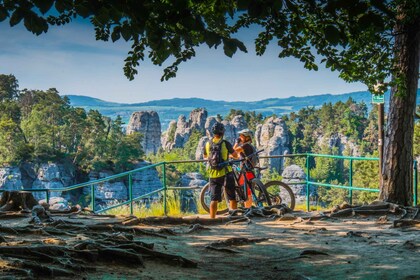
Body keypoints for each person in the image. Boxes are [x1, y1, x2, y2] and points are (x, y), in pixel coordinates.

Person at [203, 122, 239, 218]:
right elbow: (235, 156)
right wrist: (229, 155)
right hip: (226, 172)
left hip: (213, 174)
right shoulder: (225, 143)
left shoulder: (207, 144)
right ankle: (233, 217)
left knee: (213, 199)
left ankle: (212, 218)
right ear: (223, 132)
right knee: (232, 197)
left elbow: (205, 156)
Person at [233, 128, 258, 208]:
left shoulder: (246, 146)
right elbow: (237, 156)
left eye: (241, 136)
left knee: (247, 192)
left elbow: (234, 150)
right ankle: (247, 208)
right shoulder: (247, 146)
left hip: (247, 171)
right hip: (249, 170)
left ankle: (248, 209)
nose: (240, 137)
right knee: (247, 191)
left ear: (247, 137)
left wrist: (237, 142)